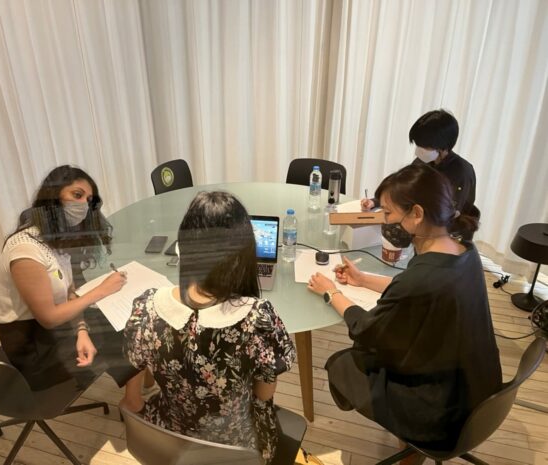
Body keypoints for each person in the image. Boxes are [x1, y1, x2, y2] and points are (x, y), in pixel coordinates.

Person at [308, 164, 501, 463]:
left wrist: (331, 292)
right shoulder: (464, 251)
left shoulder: (421, 280)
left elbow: (366, 331)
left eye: (387, 213)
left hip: (444, 411)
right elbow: (416, 290)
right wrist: (362, 280)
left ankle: (412, 447)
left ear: (417, 214)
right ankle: (410, 449)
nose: (384, 221)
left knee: (346, 364)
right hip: (480, 391)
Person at [123, 191, 298, 465]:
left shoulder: (146, 306)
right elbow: (264, 393)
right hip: (235, 447)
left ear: (185, 247)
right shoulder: (257, 319)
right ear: (242, 254)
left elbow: (133, 363)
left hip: (170, 436)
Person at [0, 165, 143, 412]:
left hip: (54, 328)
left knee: (127, 322)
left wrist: (82, 329)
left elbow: (70, 291)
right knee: (128, 334)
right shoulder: (26, 250)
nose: (83, 205)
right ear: (53, 197)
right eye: (77, 195)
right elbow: (49, 317)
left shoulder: (56, 239)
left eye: (89, 200)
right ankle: (134, 402)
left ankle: (136, 388)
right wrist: (101, 290)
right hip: (32, 349)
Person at [361, 110, 479, 234]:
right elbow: (403, 190)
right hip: (418, 227)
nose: (419, 149)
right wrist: (375, 202)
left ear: (441, 146)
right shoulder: (422, 161)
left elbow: (448, 214)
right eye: (418, 144)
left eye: (424, 145)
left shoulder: (462, 172)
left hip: (446, 235)